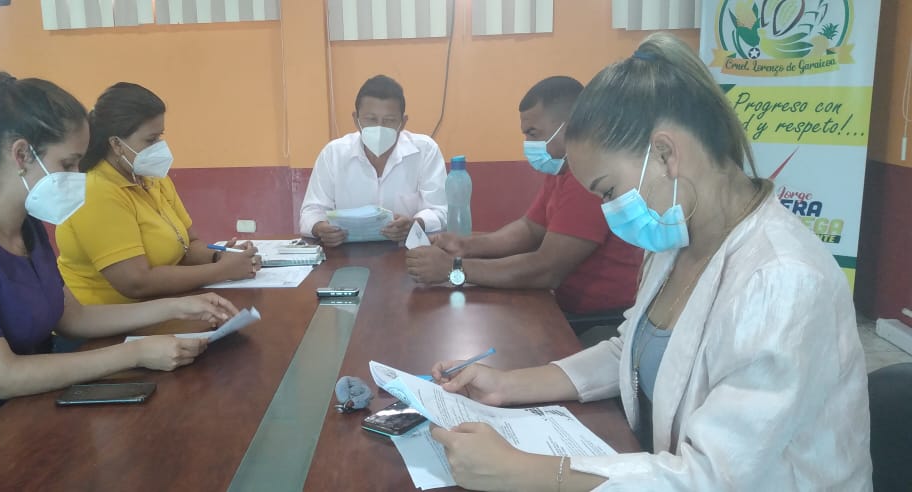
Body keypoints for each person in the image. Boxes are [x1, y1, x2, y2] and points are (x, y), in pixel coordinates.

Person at [426, 33, 871, 491]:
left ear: (665, 154)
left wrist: (524, 471)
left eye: (608, 191)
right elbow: (632, 353)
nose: (607, 210)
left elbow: (713, 477)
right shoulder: (677, 239)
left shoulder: (782, 280)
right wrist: (507, 385)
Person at [0, 73, 239, 474]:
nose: (79, 175)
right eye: (68, 163)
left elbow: (73, 318)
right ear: (21, 155)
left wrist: (180, 306)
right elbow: (0, 376)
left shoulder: (27, 228)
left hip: (16, 429)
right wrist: (136, 352)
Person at [406, 77, 641, 317]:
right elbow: (529, 229)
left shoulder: (590, 178)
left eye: (533, 133)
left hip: (599, 319)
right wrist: (464, 246)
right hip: (562, 305)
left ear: (571, 126)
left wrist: (453, 268)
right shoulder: (561, 169)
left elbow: (546, 269)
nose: (528, 144)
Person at [56, 83, 260, 305]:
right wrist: (222, 270)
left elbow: (188, 245)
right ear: (116, 144)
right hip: (106, 321)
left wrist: (220, 256)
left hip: (160, 308)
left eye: (160, 137)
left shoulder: (152, 179)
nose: (159, 147)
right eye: (150, 140)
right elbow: (136, 282)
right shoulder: (96, 190)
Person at [300, 75, 447, 247]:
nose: (380, 127)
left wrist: (415, 224)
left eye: (389, 120)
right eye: (371, 119)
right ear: (356, 119)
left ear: (403, 122)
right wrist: (320, 228)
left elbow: (441, 210)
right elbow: (311, 212)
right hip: (344, 254)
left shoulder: (425, 151)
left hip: (408, 252)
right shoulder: (333, 154)